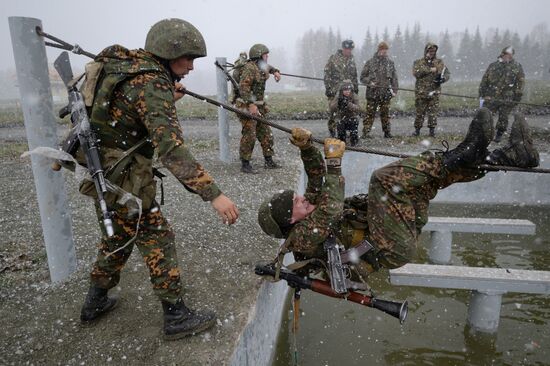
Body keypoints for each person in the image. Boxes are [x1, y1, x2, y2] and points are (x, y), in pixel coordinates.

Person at [78, 18, 240, 340]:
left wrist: (168, 98)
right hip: (124, 179)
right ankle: (176, 316)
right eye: (188, 59)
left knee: (118, 236)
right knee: (157, 237)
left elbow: (127, 114)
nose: (192, 67)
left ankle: (94, 302)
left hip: (106, 172)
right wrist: (214, 194)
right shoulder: (151, 84)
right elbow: (172, 150)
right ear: (168, 53)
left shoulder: (131, 67)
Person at [257, 109, 538, 281]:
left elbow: (317, 180)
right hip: (389, 246)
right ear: (289, 222)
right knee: (383, 180)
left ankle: (508, 156)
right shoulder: (302, 238)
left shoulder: (307, 212)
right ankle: (462, 154)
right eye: (296, 203)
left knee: (423, 180)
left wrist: (306, 147)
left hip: (391, 229)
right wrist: (335, 162)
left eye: (298, 197)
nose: (303, 199)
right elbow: (330, 209)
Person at [235, 43, 282, 173]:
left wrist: (275, 72)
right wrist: (251, 104)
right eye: (265, 55)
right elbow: (243, 88)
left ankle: (269, 160)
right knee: (249, 134)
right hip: (246, 105)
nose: (267, 57)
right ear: (259, 56)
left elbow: (269, 67)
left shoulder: (261, 65)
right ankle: (245, 164)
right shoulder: (250, 69)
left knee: (266, 133)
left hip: (258, 105)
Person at [479, 46, 525, 142]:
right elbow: (484, 80)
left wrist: (517, 97)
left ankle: (499, 135)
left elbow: (520, 82)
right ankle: (485, 133)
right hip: (491, 96)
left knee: (503, 117)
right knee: (487, 115)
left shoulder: (516, 66)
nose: (509, 56)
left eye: (511, 54)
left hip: (507, 97)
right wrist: (483, 94)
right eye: (507, 54)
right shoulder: (493, 66)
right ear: (502, 54)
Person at [360, 41, 399, 138]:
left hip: (385, 93)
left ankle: (387, 132)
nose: (384, 52)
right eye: (382, 50)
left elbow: (394, 78)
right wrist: (370, 83)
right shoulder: (370, 62)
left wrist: (395, 90)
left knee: (385, 114)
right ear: (379, 50)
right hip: (372, 94)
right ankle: (366, 133)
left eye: (386, 50)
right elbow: (362, 77)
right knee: (369, 114)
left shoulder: (390, 63)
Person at [412, 43, 450, 137]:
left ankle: (432, 132)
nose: (431, 53)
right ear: (426, 51)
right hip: (421, 92)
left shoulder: (439, 62)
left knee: (433, 113)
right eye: (430, 51)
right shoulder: (419, 62)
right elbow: (416, 73)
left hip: (434, 92)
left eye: (433, 51)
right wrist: (430, 70)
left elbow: (446, 73)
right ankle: (417, 131)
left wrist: (443, 79)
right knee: (419, 112)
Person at [324, 40, 359, 137]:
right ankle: (332, 132)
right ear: (343, 48)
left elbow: (354, 76)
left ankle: (344, 132)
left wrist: (355, 89)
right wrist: (329, 89)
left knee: (348, 111)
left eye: (350, 49)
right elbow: (327, 75)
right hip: (335, 90)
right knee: (333, 112)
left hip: (348, 91)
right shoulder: (333, 59)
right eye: (347, 49)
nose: (348, 51)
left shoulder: (352, 60)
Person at [329, 80, 361, 146]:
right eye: (345, 90)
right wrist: (338, 102)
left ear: (351, 90)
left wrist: (348, 104)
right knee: (341, 133)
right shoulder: (338, 96)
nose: (347, 91)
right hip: (341, 118)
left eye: (348, 89)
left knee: (354, 132)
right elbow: (332, 107)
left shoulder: (354, 96)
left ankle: (354, 143)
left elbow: (358, 108)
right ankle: (342, 144)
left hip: (352, 118)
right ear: (341, 90)